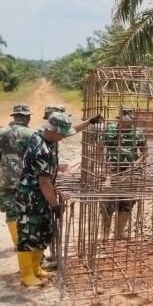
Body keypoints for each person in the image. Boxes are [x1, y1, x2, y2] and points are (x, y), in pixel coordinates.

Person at [13, 112, 76, 287]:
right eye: (61, 133)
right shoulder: (42, 150)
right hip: (31, 198)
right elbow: (44, 182)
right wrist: (55, 204)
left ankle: (36, 268)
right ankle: (27, 275)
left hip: (40, 198)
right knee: (29, 235)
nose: (63, 137)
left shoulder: (42, 138)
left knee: (43, 232)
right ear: (51, 130)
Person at [40, 104, 101, 268]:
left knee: (51, 225)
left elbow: (72, 131)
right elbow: (42, 179)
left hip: (48, 182)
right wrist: (54, 204)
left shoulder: (51, 135)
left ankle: (50, 257)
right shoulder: (40, 141)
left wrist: (89, 121)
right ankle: (39, 261)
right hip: (39, 189)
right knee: (40, 225)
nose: (63, 136)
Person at [0, 104, 35, 250]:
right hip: (27, 179)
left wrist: (6, 160)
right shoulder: (32, 134)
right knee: (27, 211)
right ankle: (26, 243)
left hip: (6, 179)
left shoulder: (1, 132)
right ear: (27, 117)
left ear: (14, 116)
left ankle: (17, 243)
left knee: (11, 213)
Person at [98, 107, 147, 239]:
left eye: (130, 121)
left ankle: (120, 232)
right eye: (125, 121)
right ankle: (105, 232)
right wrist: (103, 166)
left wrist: (137, 163)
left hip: (130, 172)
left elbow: (145, 151)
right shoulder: (109, 129)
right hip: (112, 171)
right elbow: (100, 148)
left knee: (127, 202)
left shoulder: (138, 132)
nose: (128, 124)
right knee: (107, 202)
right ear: (119, 119)